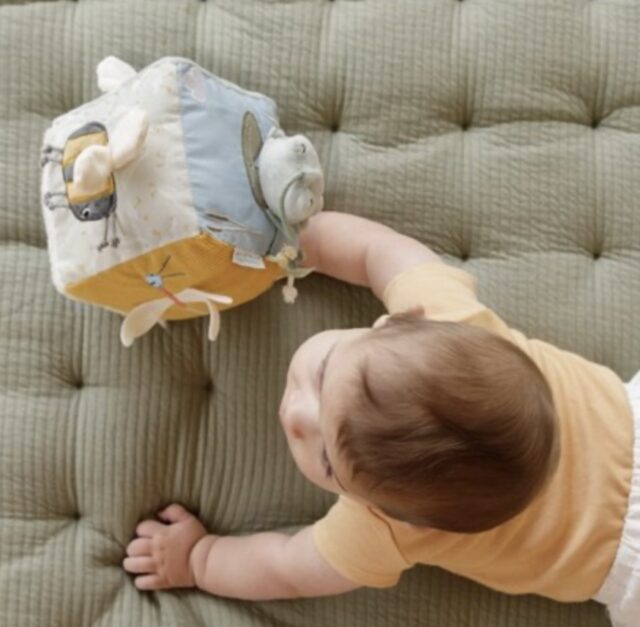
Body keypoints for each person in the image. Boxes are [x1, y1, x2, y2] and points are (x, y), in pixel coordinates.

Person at [122, 212, 638, 627]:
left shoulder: (386, 528)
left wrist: (198, 559)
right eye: (323, 374)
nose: (295, 416)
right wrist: (297, 240)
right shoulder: (447, 322)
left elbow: (287, 568)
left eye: (326, 460)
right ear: (398, 320)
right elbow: (377, 251)